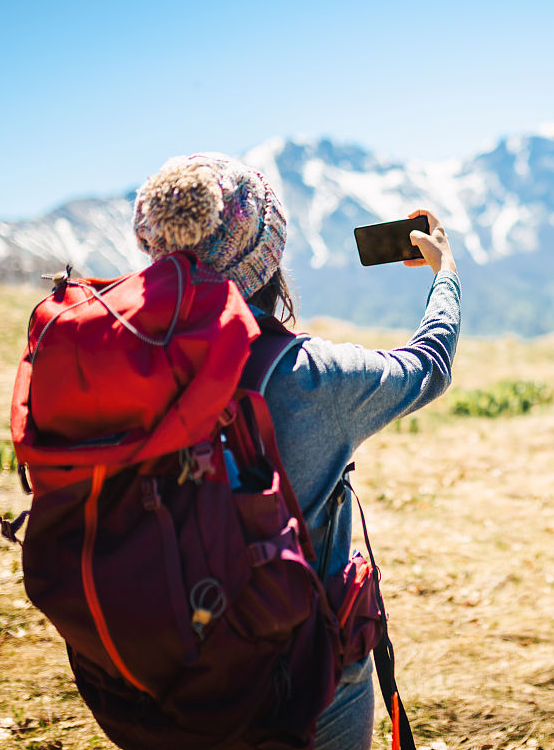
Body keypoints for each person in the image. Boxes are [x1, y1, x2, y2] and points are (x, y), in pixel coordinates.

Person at [132, 152, 461, 750]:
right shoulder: (310, 378)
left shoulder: (127, 362)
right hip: (304, 676)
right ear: (269, 259)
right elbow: (427, 365)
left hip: (162, 666)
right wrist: (445, 275)